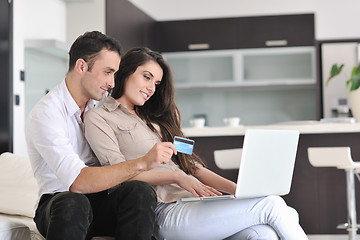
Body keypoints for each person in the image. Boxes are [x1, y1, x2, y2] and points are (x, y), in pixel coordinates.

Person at [83, 47, 309, 240]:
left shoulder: (158, 119)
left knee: (263, 232)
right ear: (126, 72)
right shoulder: (100, 118)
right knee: (271, 205)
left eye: (157, 82)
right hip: (165, 210)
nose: (152, 87)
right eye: (146, 77)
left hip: (194, 205)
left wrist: (240, 192)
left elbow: (193, 167)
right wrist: (176, 176)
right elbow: (117, 174)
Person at [25, 32, 176, 240]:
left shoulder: (101, 105)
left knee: (139, 190)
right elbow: (77, 182)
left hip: (101, 201)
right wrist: (142, 163)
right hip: (59, 205)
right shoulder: (46, 114)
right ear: (81, 66)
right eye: (107, 72)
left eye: (114, 74)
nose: (112, 83)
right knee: (73, 202)